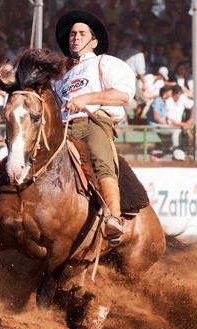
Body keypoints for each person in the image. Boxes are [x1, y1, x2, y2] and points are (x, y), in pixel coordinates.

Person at [53, 10, 136, 245]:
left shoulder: (105, 63)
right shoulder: (60, 78)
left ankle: (113, 217)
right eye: (72, 34)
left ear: (94, 41)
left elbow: (122, 95)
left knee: (101, 159)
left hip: (93, 122)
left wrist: (87, 99)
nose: (75, 37)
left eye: (81, 33)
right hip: (63, 128)